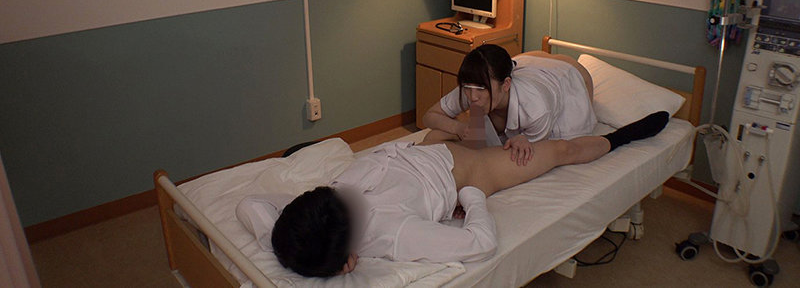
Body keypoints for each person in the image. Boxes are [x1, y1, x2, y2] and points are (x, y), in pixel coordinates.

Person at [236, 109, 669, 278]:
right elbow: (480, 243)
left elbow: (249, 204)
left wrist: (276, 240)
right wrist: (473, 195)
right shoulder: (394, 234)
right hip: (467, 170)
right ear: (351, 255)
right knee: (559, 151)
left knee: (483, 111)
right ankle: (623, 135)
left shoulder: (314, 217)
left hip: (420, 148)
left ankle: (530, 113)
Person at [423, 44, 602, 166]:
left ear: (506, 84)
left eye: (481, 89)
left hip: (567, 77)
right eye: (468, 88)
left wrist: (527, 140)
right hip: (529, 63)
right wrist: (457, 127)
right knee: (435, 136)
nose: (473, 97)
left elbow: (538, 151)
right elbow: (429, 116)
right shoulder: (473, 86)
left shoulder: (536, 109)